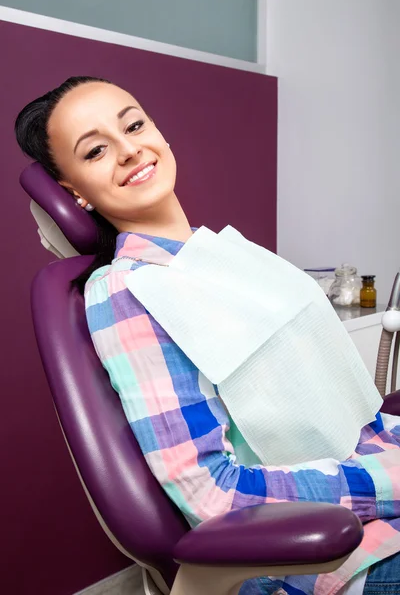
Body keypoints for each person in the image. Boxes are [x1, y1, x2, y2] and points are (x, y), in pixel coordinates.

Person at [15, 76, 400, 595]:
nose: (129, 150)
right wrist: (390, 482)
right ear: (74, 192)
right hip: (323, 553)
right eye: (97, 150)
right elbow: (212, 494)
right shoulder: (130, 291)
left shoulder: (224, 252)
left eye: (134, 125)